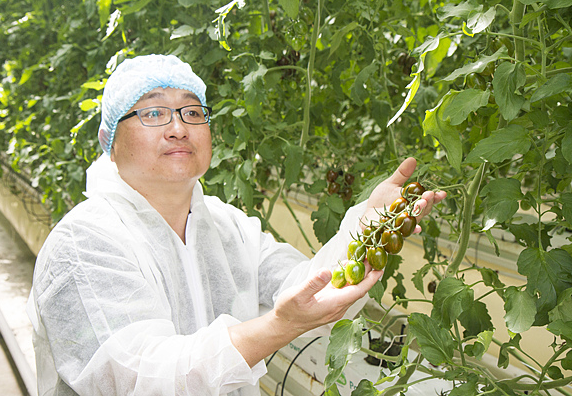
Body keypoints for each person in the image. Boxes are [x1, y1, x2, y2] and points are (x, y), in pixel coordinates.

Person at [26, 54, 446, 396]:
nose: (178, 128)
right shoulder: (84, 245)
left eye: (192, 112)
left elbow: (311, 287)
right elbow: (138, 380)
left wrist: (365, 225)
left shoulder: (228, 227)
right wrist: (278, 327)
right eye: (153, 112)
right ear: (110, 141)